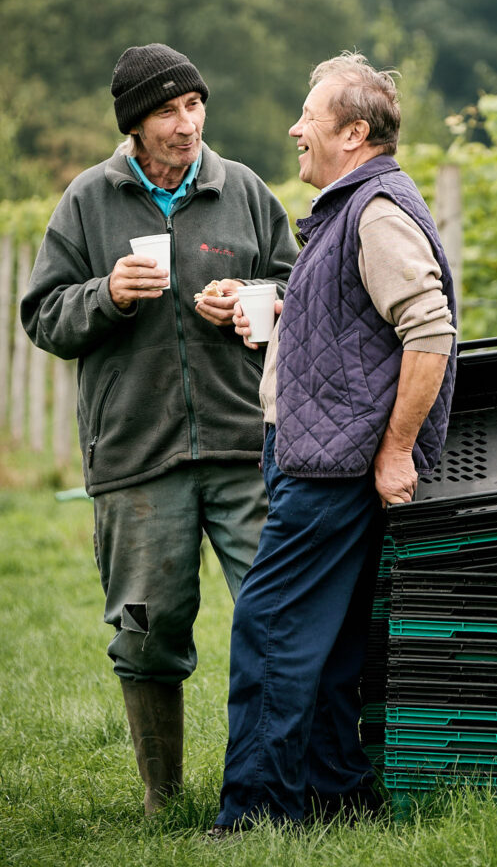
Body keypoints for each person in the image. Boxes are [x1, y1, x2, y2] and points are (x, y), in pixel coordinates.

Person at [20, 43, 298, 815]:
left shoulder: (241, 189)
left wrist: (254, 295)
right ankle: (162, 797)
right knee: (145, 634)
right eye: (168, 111)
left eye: (195, 105)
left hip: (247, 446)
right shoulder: (87, 201)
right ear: (135, 126)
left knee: (279, 615)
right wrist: (106, 293)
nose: (188, 123)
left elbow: (298, 284)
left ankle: (288, 781)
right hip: (138, 459)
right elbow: (43, 316)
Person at [209, 51, 457, 834]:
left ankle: (255, 813)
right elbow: (365, 326)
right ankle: (333, 795)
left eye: (308, 116)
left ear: (353, 133)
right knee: (324, 640)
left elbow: (430, 330)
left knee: (271, 627)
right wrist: (288, 314)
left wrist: (395, 452)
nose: (295, 128)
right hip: (315, 454)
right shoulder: (348, 206)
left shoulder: (376, 210)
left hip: (333, 465)